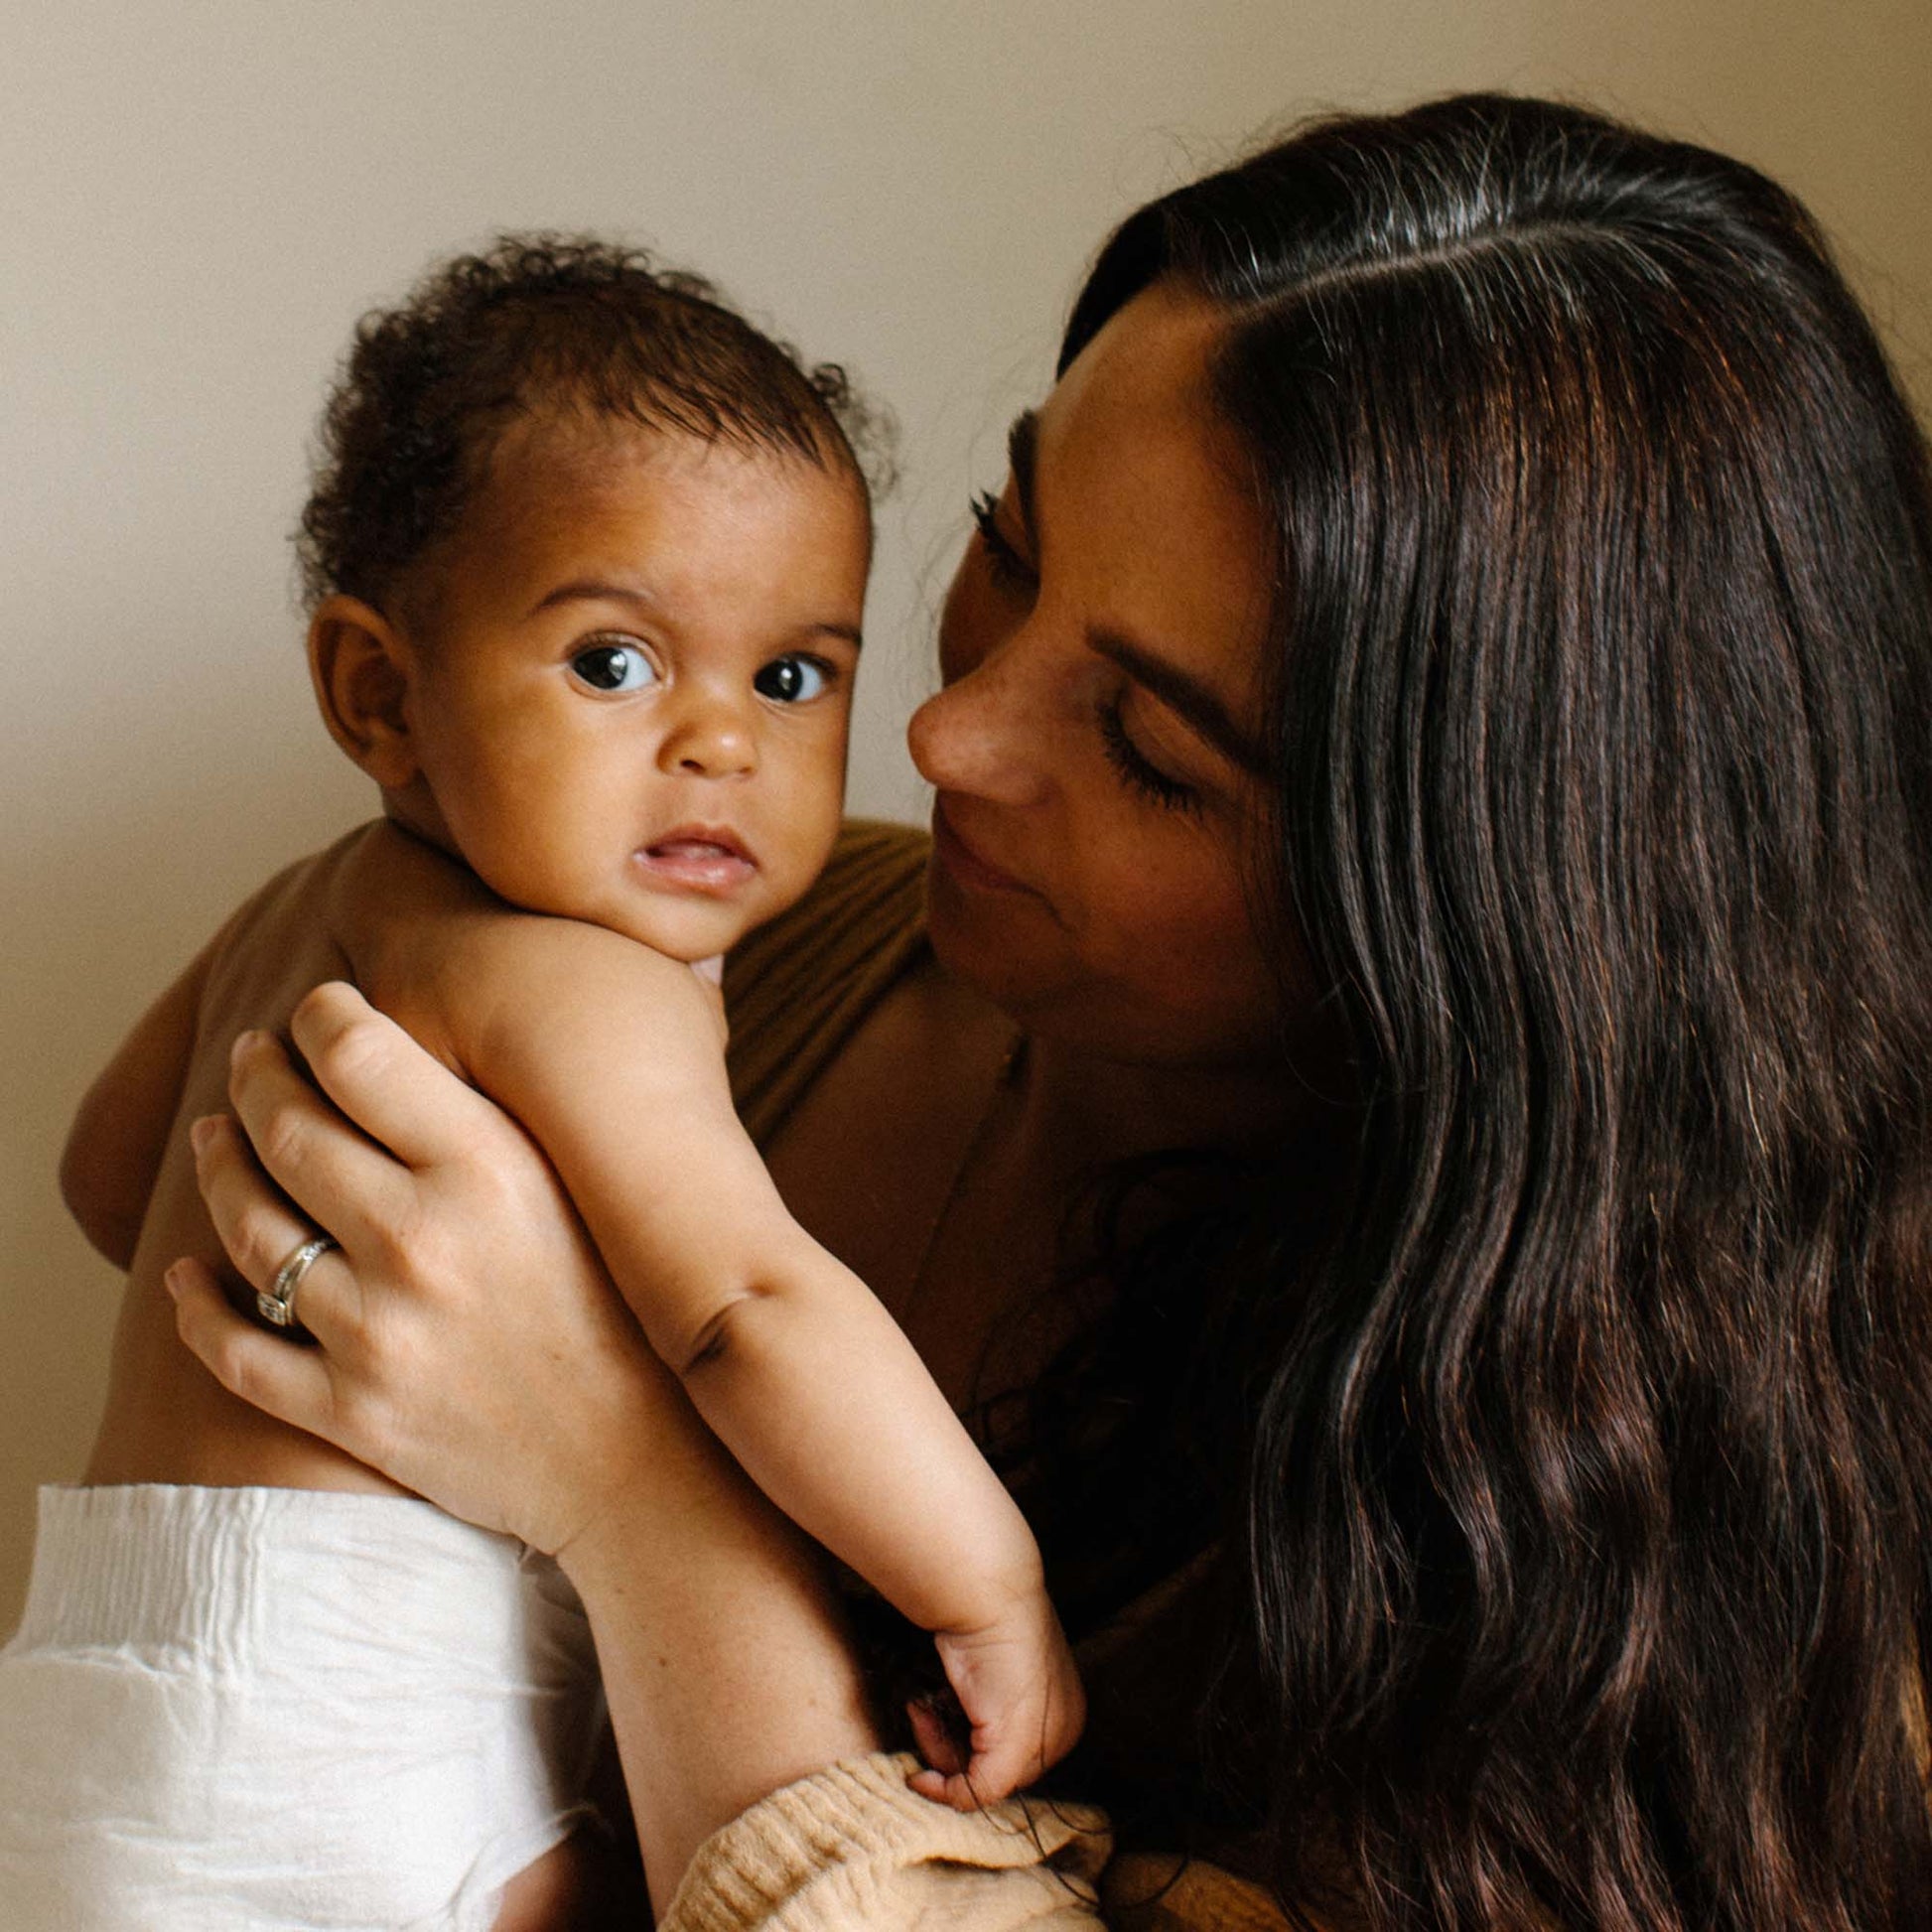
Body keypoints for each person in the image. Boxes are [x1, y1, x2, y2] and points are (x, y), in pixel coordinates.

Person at [166, 93, 1932, 1930]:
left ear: (1479, 916)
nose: (945, 738)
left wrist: (630, 1489)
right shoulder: (704, 950)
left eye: (1149, 743)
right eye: (1006, 546)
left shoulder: (1658, 1533)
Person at [0, 238, 1080, 1931]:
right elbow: (748, 1308)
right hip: (349, 1721)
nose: (720, 741)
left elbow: (103, 1171)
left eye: (791, 676)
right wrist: (988, 1582)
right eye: (614, 663)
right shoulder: (583, 979)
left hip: (96, 1686)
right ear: (380, 693)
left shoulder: (302, 908)